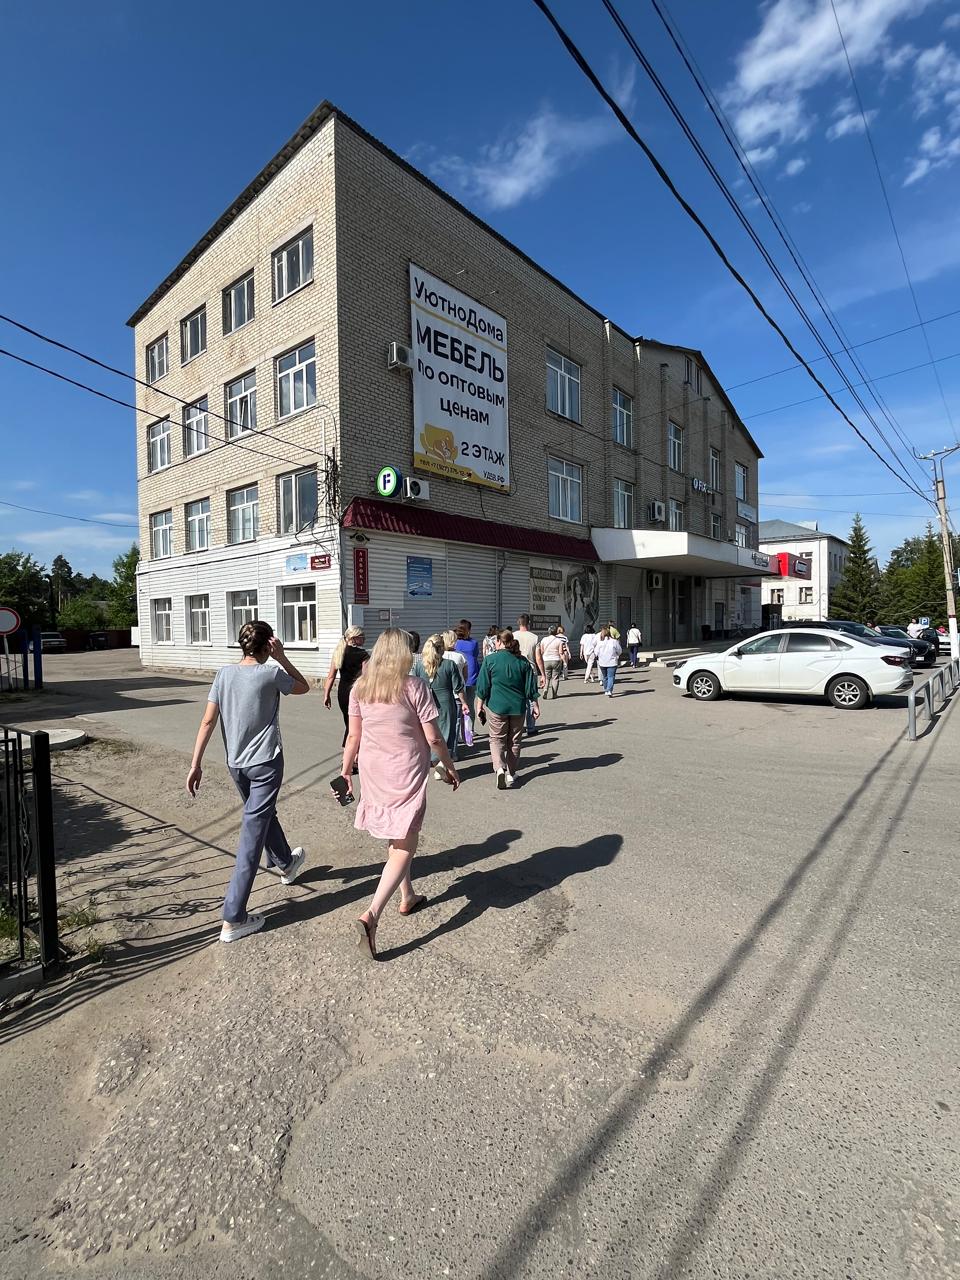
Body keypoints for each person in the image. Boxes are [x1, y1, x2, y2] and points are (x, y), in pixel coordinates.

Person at [186, 621, 310, 943]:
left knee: (262, 817)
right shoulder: (271, 673)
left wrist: (196, 764)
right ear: (268, 645)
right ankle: (234, 917)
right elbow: (303, 686)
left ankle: (286, 863)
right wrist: (282, 657)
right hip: (266, 763)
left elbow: (208, 720)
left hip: (236, 765)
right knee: (251, 837)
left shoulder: (224, 674)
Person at [341, 629, 460, 960]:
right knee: (406, 843)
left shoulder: (360, 688)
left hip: (373, 769)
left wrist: (345, 772)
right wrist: (449, 766)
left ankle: (407, 895)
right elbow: (434, 738)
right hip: (405, 770)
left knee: (396, 834)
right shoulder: (414, 687)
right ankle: (371, 915)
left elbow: (353, 736)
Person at [475, 628, 541, 789]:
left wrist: (479, 706)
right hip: (518, 707)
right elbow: (530, 687)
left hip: (496, 706)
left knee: (496, 739)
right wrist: (535, 704)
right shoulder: (523, 661)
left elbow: (483, 686)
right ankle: (511, 773)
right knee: (515, 741)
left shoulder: (490, 660)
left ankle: (499, 768)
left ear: (499, 642)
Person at [422, 632, 468, 772]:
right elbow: (458, 687)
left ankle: (434, 760)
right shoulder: (449, 665)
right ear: (442, 648)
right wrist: (464, 703)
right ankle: (441, 762)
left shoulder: (420, 665)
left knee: (429, 732)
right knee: (447, 732)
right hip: (446, 702)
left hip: (425, 703)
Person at [323, 626, 368, 749]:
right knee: (356, 724)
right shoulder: (363, 655)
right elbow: (366, 678)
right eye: (362, 637)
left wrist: (326, 695)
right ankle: (350, 751)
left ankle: (349, 751)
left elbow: (331, 676)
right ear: (354, 638)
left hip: (342, 692)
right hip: (357, 693)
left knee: (348, 721)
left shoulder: (339, 652)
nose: (364, 639)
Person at [514, 614, 546, 734]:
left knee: (517, 698)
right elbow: (538, 657)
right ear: (529, 623)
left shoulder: (513, 636)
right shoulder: (534, 637)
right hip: (531, 671)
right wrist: (543, 674)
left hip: (515, 670)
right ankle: (531, 727)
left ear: (518, 623)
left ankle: (518, 726)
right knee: (531, 698)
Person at [454, 619, 481, 726]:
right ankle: (470, 730)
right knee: (469, 704)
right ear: (468, 630)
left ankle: (459, 730)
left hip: (457, 677)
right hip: (471, 676)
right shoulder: (473, 643)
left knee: (458, 705)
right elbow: (475, 655)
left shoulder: (455, 643)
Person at [540, 625, 567, 699]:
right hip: (556, 660)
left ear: (548, 631)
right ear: (556, 632)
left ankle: (545, 690)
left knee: (547, 677)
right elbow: (561, 653)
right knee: (555, 678)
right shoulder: (559, 641)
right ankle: (554, 694)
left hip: (546, 660)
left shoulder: (544, 639)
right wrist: (564, 662)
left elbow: (541, 651)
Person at [596, 626, 623, 697]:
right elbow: (619, 651)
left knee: (605, 677)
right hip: (612, 662)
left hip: (602, 662)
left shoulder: (600, 643)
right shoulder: (614, 641)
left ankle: (606, 689)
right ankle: (609, 690)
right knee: (611, 677)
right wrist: (617, 655)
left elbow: (596, 652)